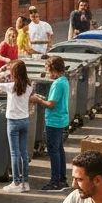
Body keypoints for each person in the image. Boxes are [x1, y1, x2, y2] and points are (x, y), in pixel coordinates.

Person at [0, 60, 38, 193]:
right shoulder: (29, 87)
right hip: (25, 121)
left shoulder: (11, 86)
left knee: (14, 153)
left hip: (13, 122)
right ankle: (25, 182)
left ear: (13, 73)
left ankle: (16, 182)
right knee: (24, 152)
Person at [35, 56, 70, 191]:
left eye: (48, 69)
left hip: (54, 121)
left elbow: (51, 104)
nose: (47, 73)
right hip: (61, 119)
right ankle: (62, 179)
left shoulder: (57, 83)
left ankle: (55, 181)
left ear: (54, 69)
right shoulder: (64, 81)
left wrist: (38, 100)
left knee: (53, 151)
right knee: (59, 149)